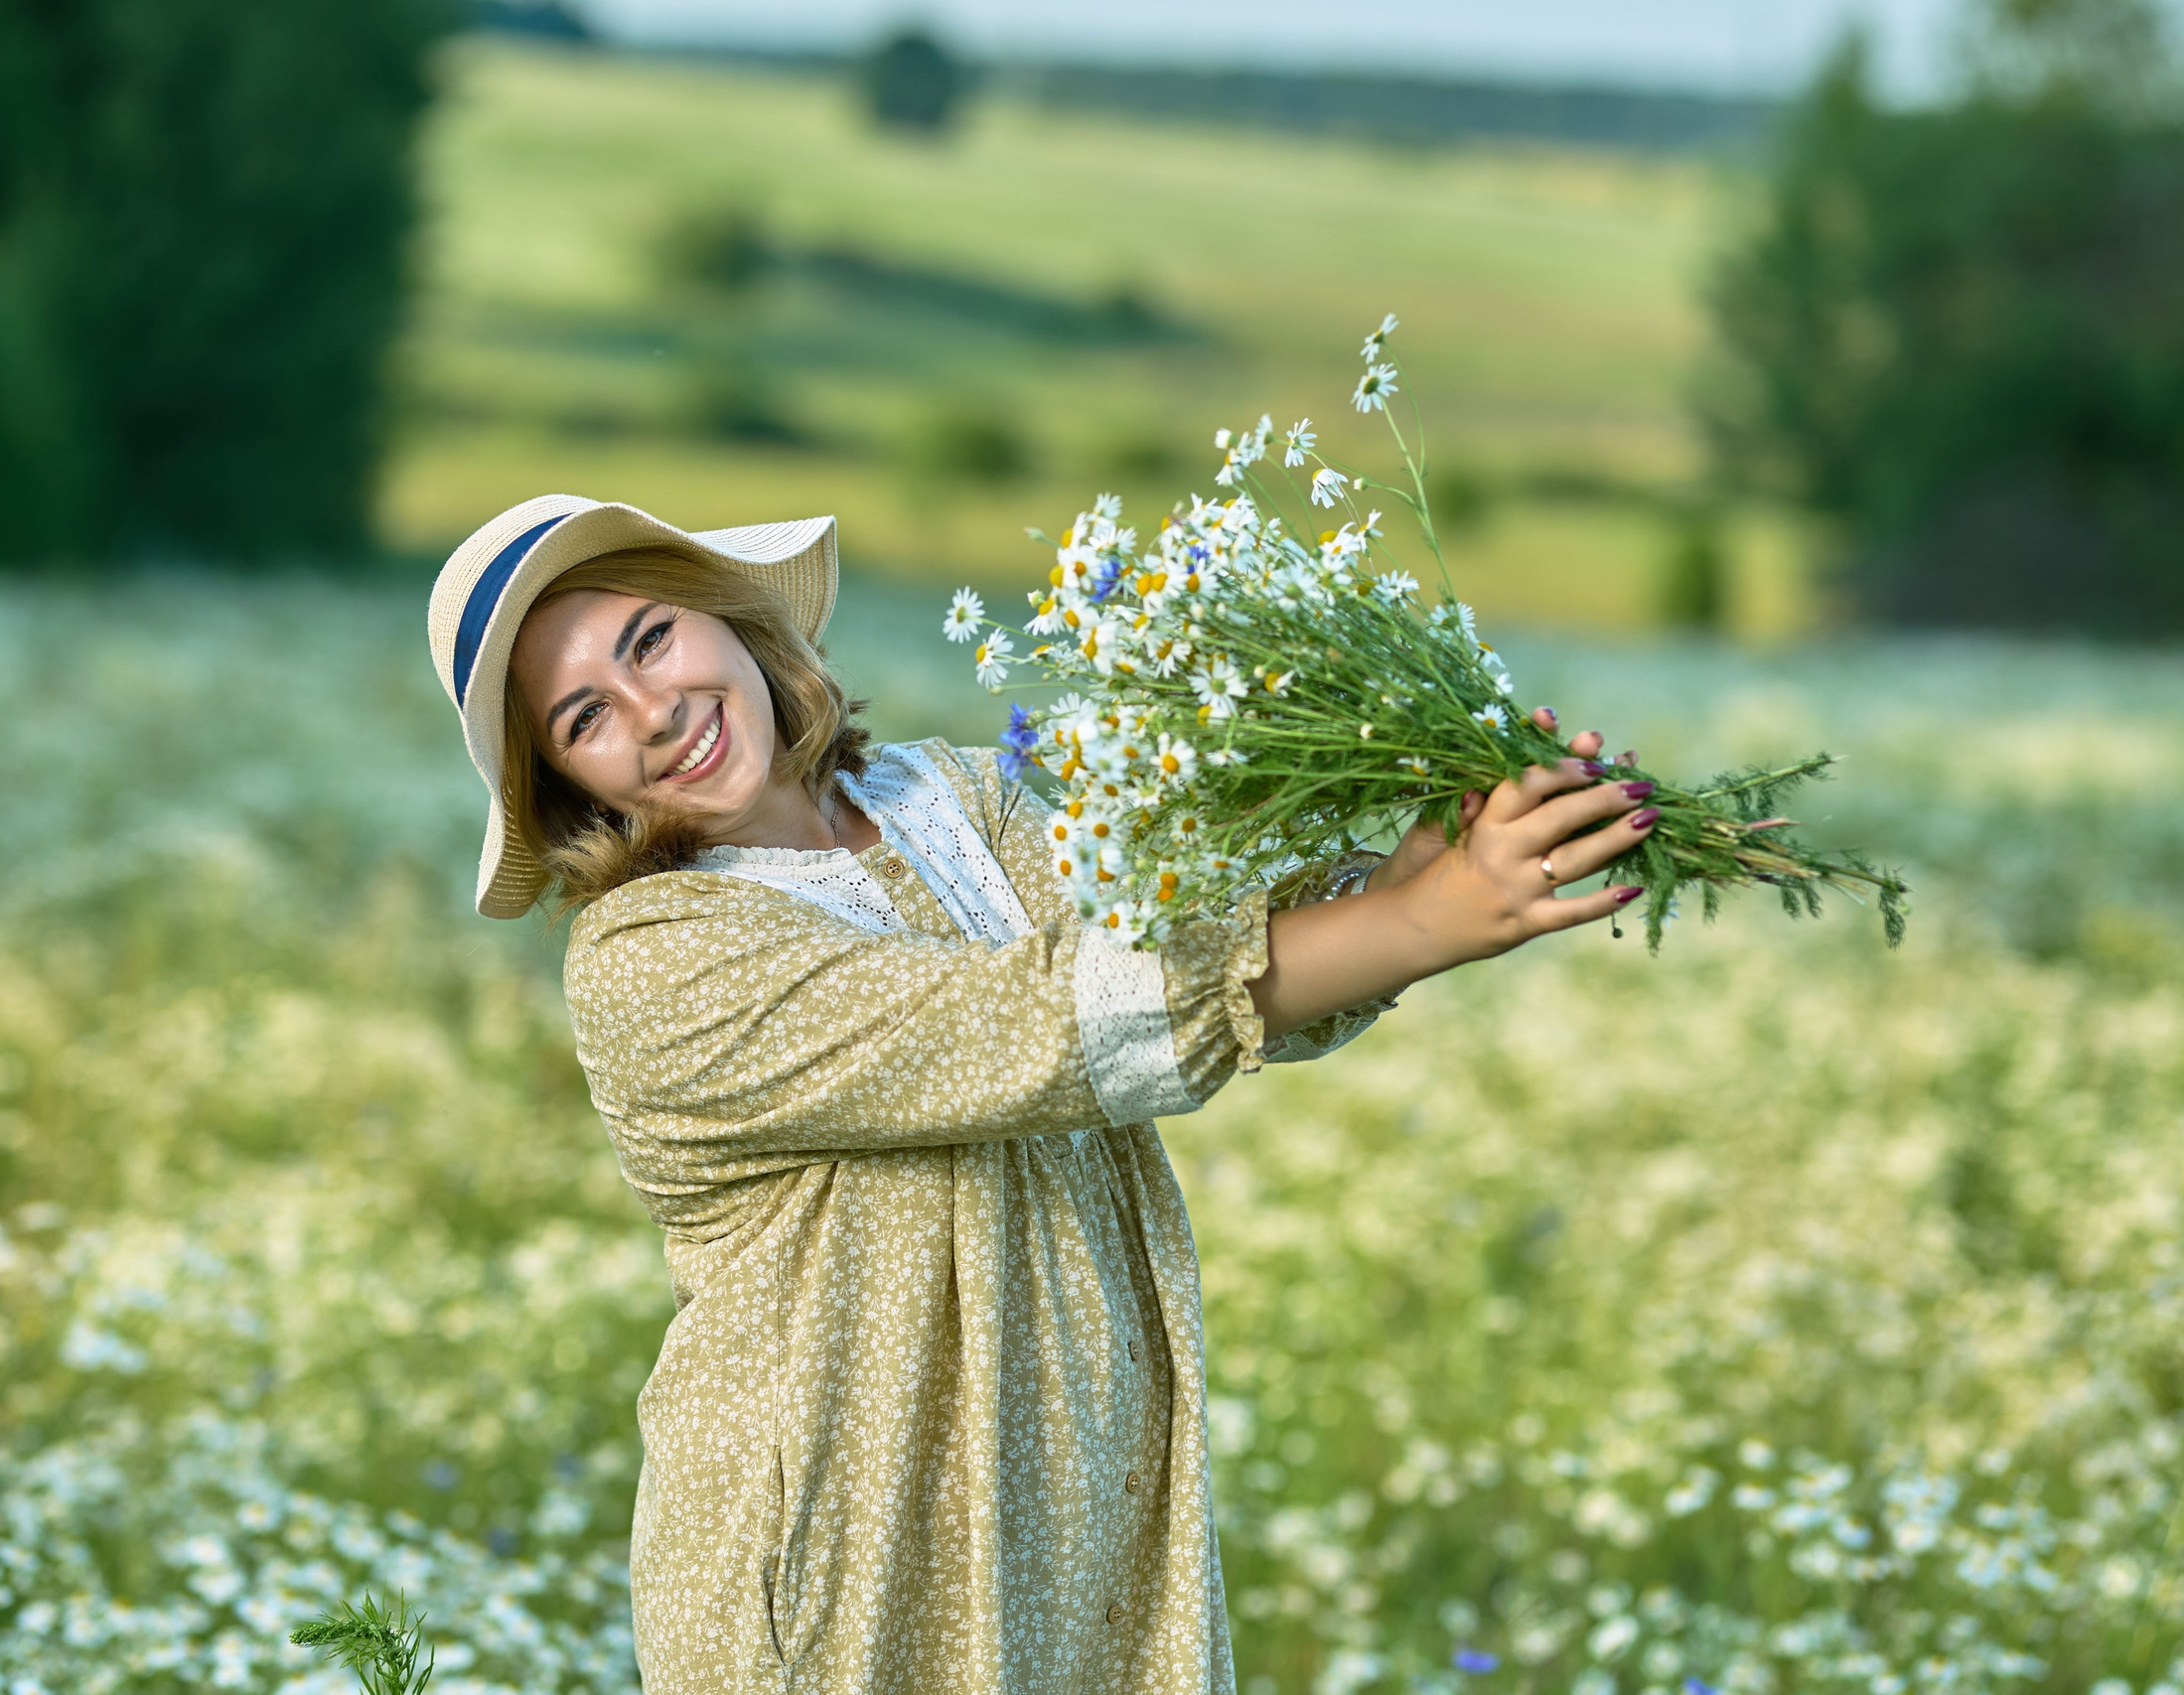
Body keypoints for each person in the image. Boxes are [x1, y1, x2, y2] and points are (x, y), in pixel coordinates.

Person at [427, 494, 1656, 1695]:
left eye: (651, 638)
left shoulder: (954, 795)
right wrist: (1417, 927)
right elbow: (1046, 1023)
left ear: (724, 617)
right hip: (851, 1546)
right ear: (566, 783)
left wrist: (1418, 867)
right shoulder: (650, 960)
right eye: (585, 714)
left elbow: (1187, 940)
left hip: (1082, 1494)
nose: (653, 710)